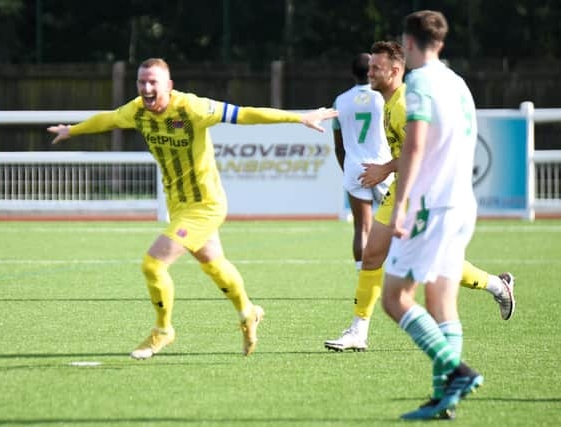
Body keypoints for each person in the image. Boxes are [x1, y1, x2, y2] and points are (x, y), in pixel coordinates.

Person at [48, 58, 337, 360]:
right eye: (141, 82)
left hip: (205, 204)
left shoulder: (192, 108)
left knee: (153, 264)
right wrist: (73, 131)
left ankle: (163, 331)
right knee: (213, 262)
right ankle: (248, 312)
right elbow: (108, 120)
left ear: (168, 86)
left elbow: (245, 114)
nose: (146, 88)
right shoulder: (136, 111)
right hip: (178, 204)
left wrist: (298, 118)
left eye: (153, 82)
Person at [324, 40, 515, 354]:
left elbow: (423, 153)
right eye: (370, 66)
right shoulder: (386, 101)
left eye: (376, 67)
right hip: (403, 187)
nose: (369, 72)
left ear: (395, 70)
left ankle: (497, 286)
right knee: (373, 254)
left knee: (437, 266)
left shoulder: (403, 105)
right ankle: (358, 330)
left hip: (424, 191)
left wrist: (384, 168)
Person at [381, 10, 484, 419]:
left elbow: (415, 145)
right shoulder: (457, 82)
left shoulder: (419, 82)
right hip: (462, 203)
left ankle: (456, 372)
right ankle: (445, 400)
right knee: (442, 303)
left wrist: (402, 203)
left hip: (433, 206)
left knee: (394, 297)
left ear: (407, 43)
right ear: (440, 43)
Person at [331, 53, 394, 271]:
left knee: (362, 228)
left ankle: (363, 279)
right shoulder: (383, 97)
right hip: (383, 167)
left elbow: (338, 146)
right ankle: (400, 273)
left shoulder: (339, 101)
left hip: (355, 168)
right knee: (396, 225)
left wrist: (347, 170)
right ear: (371, 72)